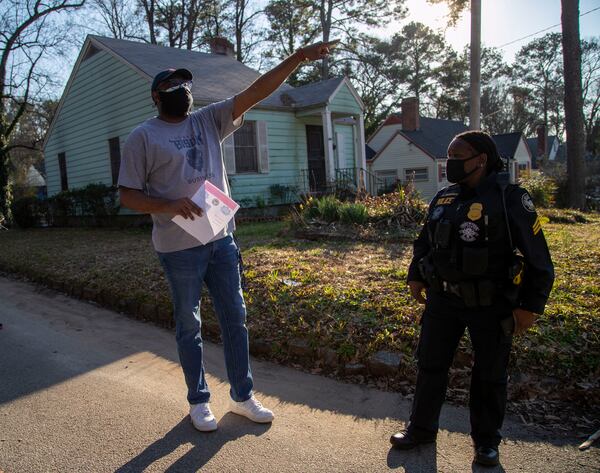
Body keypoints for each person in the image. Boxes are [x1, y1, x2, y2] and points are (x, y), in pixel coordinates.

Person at [118, 41, 337, 432]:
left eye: (185, 87)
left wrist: (298, 58)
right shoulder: (143, 137)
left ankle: (242, 395)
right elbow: (128, 195)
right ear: (156, 96)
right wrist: (169, 205)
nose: (181, 93)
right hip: (178, 247)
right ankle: (198, 401)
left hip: (220, 239)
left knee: (235, 318)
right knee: (189, 323)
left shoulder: (208, 119)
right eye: (172, 88)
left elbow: (257, 91)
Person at [390, 131, 554, 466]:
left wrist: (530, 307)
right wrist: (415, 276)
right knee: (431, 365)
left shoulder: (510, 199)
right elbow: (425, 242)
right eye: (448, 155)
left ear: (480, 159)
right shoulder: (445, 197)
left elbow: (539, 259)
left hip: (491, 304)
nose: (449, 163)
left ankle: (486, 442)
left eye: (457, 156)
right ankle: (421, 428)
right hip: (443, 301)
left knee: (489, 374)